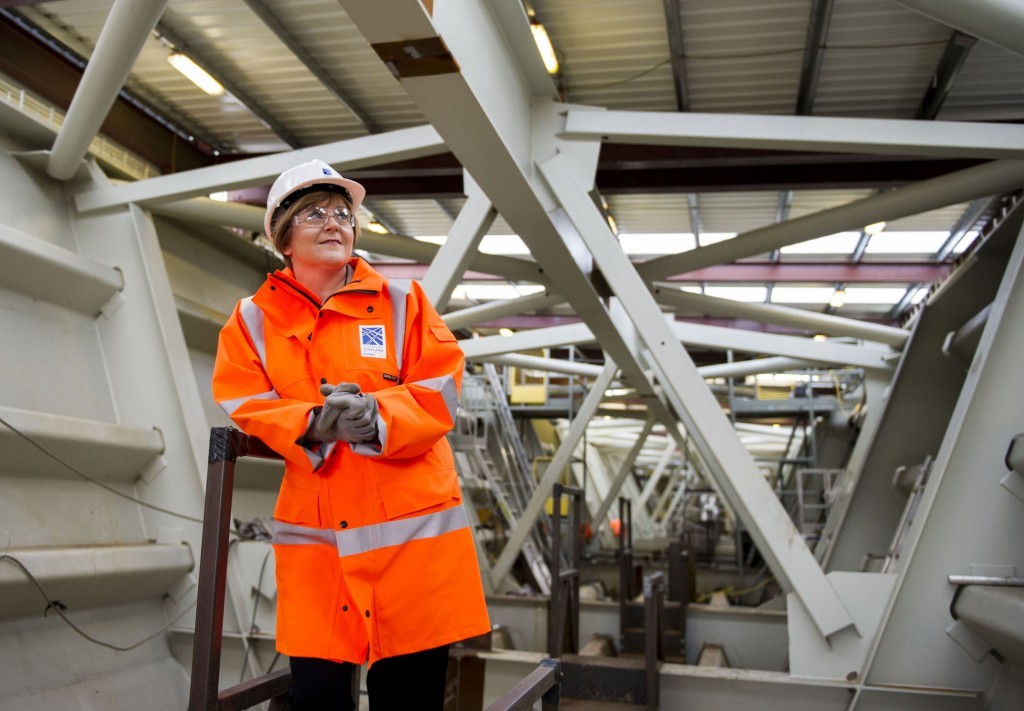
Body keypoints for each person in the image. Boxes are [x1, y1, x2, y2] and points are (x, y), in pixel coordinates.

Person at [212, 159, 491, 710]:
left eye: (343, 213)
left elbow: (441, 388)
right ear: (282, 235)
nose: (335, 222)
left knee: (408, 699)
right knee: (317, 698)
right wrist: (313, 423)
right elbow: (244, 400)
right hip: (320, 552)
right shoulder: (251, 320)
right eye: (314, 213)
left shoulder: (403, 302)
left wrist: (378, 417)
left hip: (411, 549)